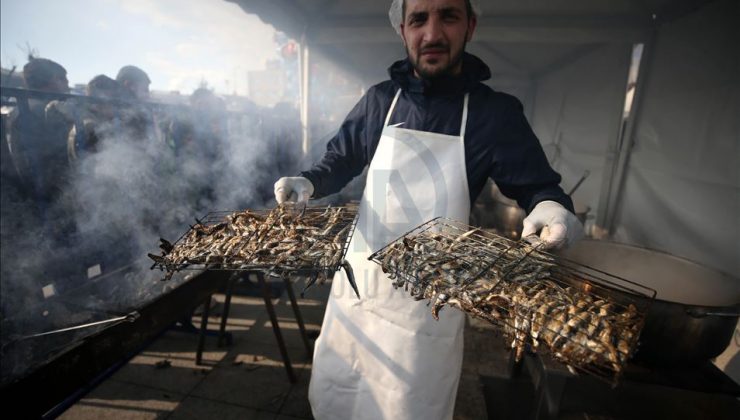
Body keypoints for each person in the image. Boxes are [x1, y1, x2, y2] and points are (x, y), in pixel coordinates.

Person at [273, 1, 583, 419]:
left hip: (427, 313)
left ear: (470, 25)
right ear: (402, 29)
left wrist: (551, 207)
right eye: (419, 19)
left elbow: (538, 186)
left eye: (448, 16)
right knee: (337, 400)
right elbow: (340, 161)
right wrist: (309, 181)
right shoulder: (380, 101)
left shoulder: (494, 114)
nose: (432, 34)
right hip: (360, 295)